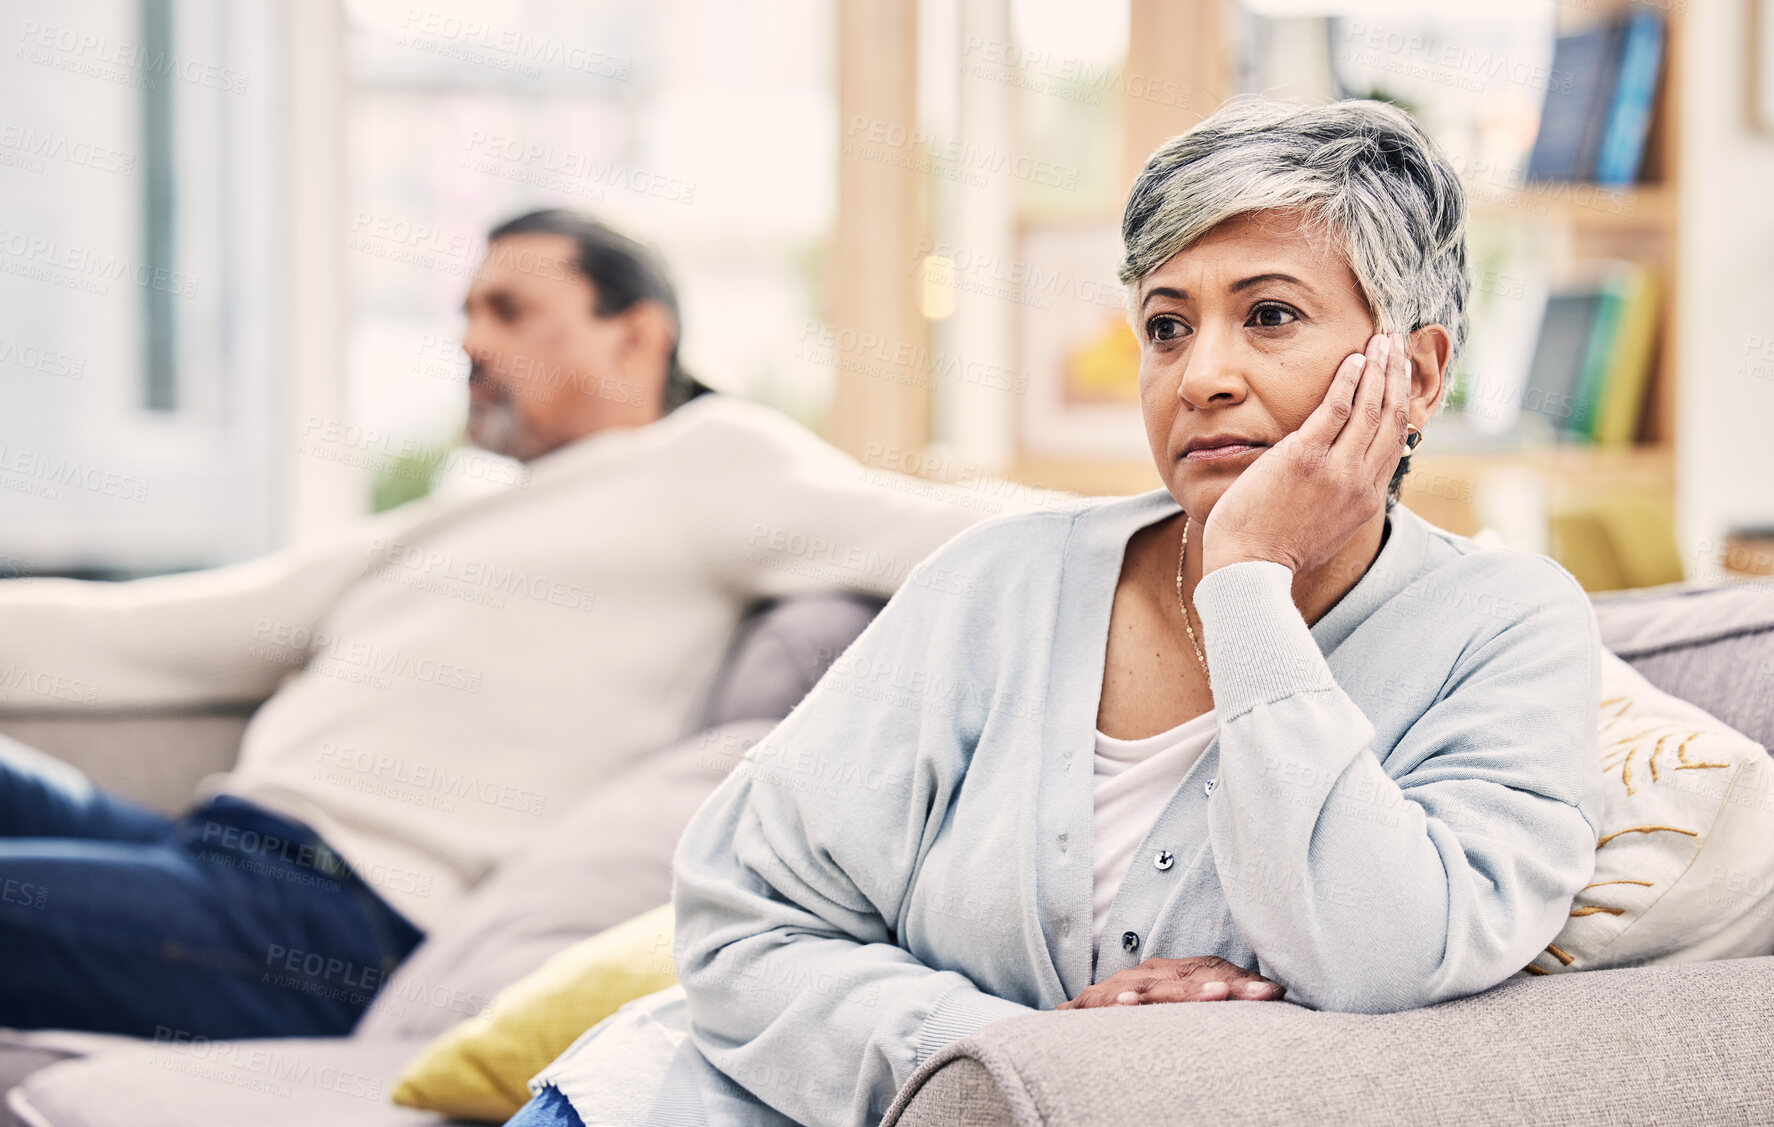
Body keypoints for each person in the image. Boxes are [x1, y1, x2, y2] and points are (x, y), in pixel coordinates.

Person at [512, 98, 1609, 1127]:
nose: (1201, 376)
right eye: (1167, 328)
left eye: (1268, 315)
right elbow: (742, 918)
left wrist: (1246, 582)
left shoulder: (1504, 627)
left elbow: (1382, 954)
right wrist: (1026, 1053)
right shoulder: (994, 583)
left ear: (1415, 373)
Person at [0, 208, 1049, 1039]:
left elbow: (965, 531)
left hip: (331, 919)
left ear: (637, 334)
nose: (466, 338)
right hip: (205, 846)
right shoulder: (465, 511)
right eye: (464, 309)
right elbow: (141, 633)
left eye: (508, 309)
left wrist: (1197, 517)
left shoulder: (707, 461)